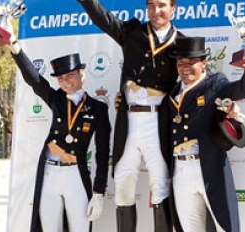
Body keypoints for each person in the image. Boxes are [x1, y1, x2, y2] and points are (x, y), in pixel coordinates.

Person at [75, 0, 185, 231]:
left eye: (162, 5)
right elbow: (102, 17)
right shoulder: (132, 33)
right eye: (152, 5)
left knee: (161, 185)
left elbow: (193, 84)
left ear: (173, 8)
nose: (156, 11)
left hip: (158, 122)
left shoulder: (182, 43)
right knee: (123, 184)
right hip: (130, 120)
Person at [7, 24, 111, 232]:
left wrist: (99, 191)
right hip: (49, 173)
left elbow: (102, 152)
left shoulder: (98, 108)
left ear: (81, 73)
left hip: (76, 174)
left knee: (80, 228)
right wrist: (14, 46)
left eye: (70, 75)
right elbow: (34, 79)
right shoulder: (56, 99)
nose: (66, 82)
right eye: (61, 78)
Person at [161, 36, 245, 232]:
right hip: (180, 170)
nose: (185, 67)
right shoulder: (171, 95)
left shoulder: (215, 84)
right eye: (181, 63)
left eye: (191, 62)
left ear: (204, 62)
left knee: (224, 227)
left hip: (208, 167)